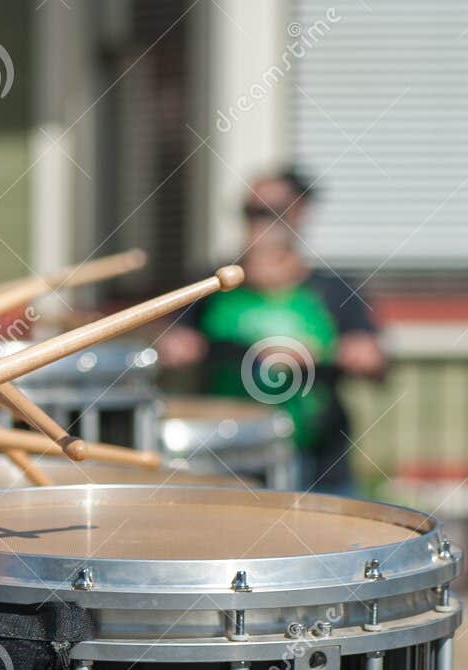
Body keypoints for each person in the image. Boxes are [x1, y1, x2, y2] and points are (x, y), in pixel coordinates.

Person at [157, 168, 385, 493]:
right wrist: (172, 347)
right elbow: (166, 345)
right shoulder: (215, 284)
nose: (260, 224)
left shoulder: (333, 289)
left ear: (299, 214)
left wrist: (325, 353)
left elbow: (375, 364)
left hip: (317, 458)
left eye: (271, 212)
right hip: (226, 455)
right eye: (251, 212)